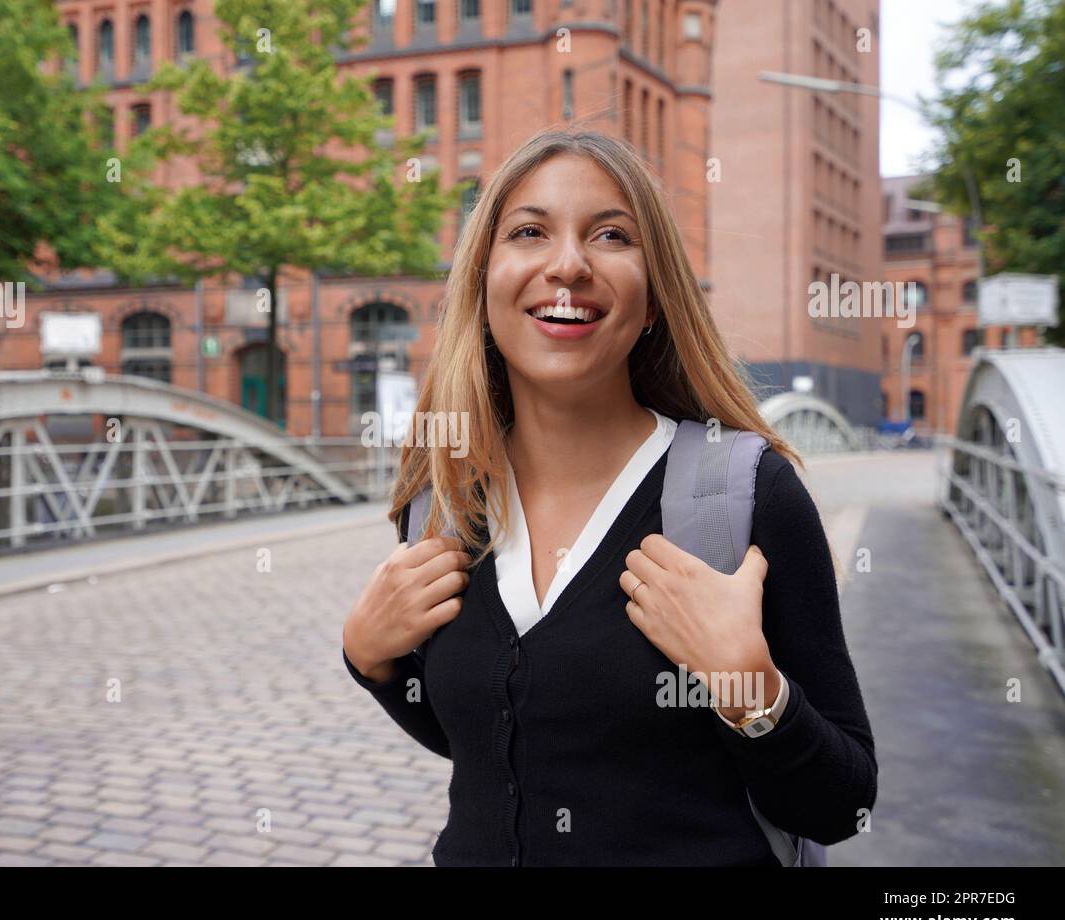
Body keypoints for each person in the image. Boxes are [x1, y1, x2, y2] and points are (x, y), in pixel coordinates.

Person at [341, 127, 877, 866]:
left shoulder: (748, 495)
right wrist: (371, 662)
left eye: (611, 236)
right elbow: (491, 741)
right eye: (529, 232)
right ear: (483, 281)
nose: (567, 265)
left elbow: (843, 805)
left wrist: (751, 689)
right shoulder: (443, 502)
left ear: (654, 297)